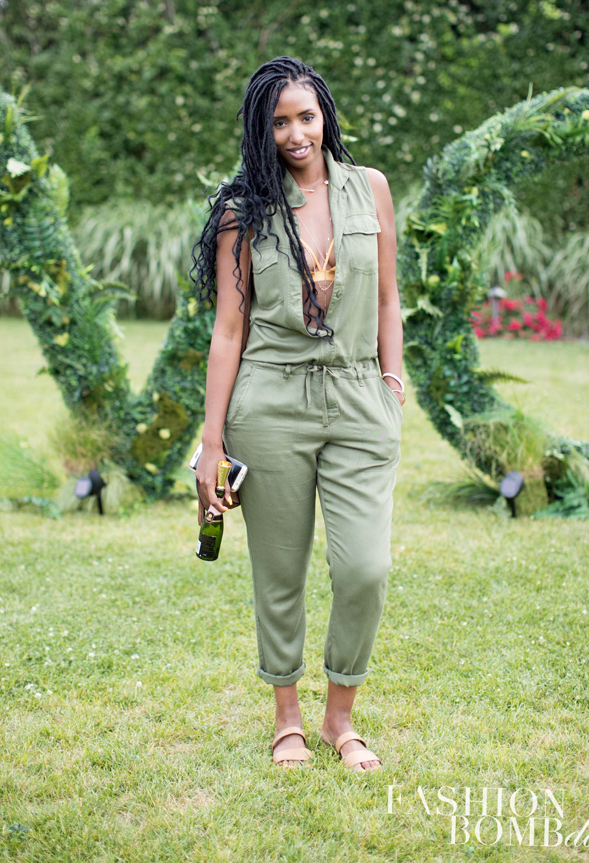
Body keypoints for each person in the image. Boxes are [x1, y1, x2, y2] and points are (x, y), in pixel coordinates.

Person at [189, 56, 404, 771]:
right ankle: (288, 719)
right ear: (262, 130)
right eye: (279, 122)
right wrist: (212, 441)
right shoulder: (242, 211)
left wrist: (392, 376)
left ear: (325, 116)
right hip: (271, 402)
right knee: (279, 571)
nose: (295, 133)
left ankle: (341, 718)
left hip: (358, 399)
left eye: (305, 117)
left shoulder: (370, 189)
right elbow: (229, 329)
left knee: (365, 567)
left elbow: (387, 298)